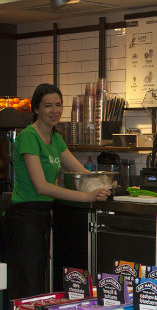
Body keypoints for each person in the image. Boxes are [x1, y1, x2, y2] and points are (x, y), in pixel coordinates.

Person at [3, 83, 111, 300]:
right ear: (36, 109)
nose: (54, 110)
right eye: (48, 106)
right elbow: (41, 186)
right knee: (27, 286)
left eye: (58, 105)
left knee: (40, 284)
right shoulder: (28, 137)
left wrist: (105, 185)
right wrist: (86, 196)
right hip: (24, 219)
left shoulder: (56, 138)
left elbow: (80, 171)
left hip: (43, 216)